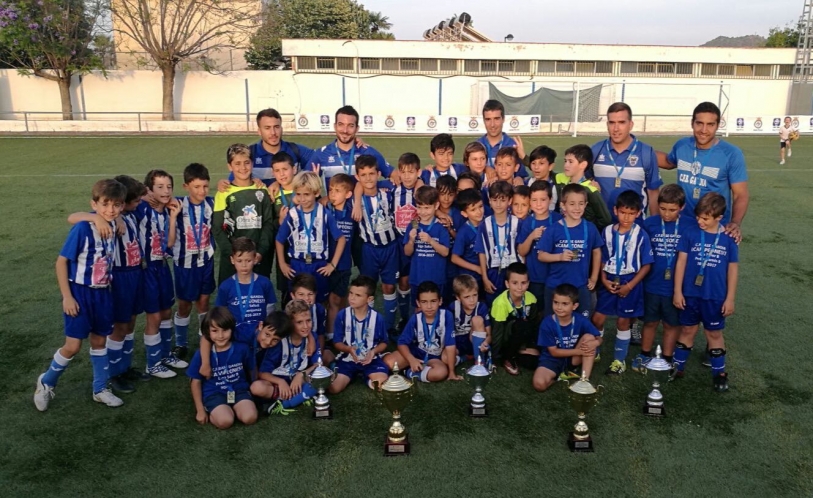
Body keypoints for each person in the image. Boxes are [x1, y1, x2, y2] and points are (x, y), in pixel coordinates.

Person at [34, 179, 127, 411]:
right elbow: (61, 262)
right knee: (73, 346)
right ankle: (46, 383)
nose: (110, 210)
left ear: (122, 206)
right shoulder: (83, 228)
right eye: (105, 205)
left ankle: (100, 389)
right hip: (80, 293)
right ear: (94, 204)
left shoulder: (115, 222)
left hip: (103, 293)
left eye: (116, 205)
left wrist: (117, 218)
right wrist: (67, 296)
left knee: (99, 341)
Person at [66, 175, 150, 393]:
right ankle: (114, 374)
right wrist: (96, 218)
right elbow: (73, 217)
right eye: (137, 201)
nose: (140, 204)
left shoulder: (127, 216)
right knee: (120, 326)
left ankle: (124, 366)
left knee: (130, 323)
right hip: (118, 277)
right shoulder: (106, 218)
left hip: (135, 275)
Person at [672, 192, 739, 392]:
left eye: (705, 218)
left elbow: (733, 270)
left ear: (719, 218)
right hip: (690, 294)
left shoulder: (728, 239)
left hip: (715, 296)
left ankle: (719, 374)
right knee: (687, 330)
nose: (700, 221)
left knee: (714, 333)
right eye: (699, 217)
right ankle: (678, 367)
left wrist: (730, 298)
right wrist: (677, 291)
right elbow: (681, 262)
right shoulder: (690, 233)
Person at [658, 102, 749, 243]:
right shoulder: (682, 145)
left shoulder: (731, 153)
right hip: (683, 224)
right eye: (699, 123)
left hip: (714, 227)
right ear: (692, 123)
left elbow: (740, 194)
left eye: (710, 124)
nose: (704, 130)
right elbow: (669, 162)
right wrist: (638, 150)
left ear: (718, 125)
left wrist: (735, 223)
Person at [592, 190, 654, 375]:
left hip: (630, 281)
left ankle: (619, 361)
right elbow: (603, 258)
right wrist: (603, 279)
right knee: (598, 319)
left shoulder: (641, 235)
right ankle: (595, 351)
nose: (626, 217)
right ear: (615, 210)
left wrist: (630, 285)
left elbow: (646, 265)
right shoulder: (607, 232)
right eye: (623, 212)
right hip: (609, 279)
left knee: (623, 321)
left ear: (638, 214)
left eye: (631, 213)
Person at [639, 184, 696, 370]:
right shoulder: (650, 224)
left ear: (682, 207)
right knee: (650, 322)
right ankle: (644, 354)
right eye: (663, 208)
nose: (667, 214)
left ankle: (667, 357)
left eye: (672, 210)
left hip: (676, 287)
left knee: (672, 324)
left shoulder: (690, 225)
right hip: (652, 284)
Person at [204, 238, 277, 377]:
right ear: (232, 260)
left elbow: (270, 308)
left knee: (263, 368)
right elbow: (220, 314)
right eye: (240, 261)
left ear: (255, 259)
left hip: (259, 335)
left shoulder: (264, 283)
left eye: (248, 261)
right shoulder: (226, 286)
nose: (244, 265)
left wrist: (266, 327)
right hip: (236, 335)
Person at [137, 170, 186, 377]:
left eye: (168, 187)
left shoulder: (166, 210)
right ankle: (152, 363)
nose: (166, 191)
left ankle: (165, 355)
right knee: (154, 316)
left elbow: (170, 243)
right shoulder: (141, 208)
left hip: (162, 266)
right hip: (147, 268)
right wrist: (141, 195)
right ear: (149, 189)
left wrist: (173, 217)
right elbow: (123, 198)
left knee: (166, 311)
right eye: (160, 187)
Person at [167, 163, 215, 361]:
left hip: (206, 261)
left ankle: (204, 340)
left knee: (204, 302)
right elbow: (153, 199)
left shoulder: (212, 203)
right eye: (196, 187)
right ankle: (181, 343)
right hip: (184, 264)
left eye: (205, 186)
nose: (201, 191)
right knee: (185, 304)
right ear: (186, 186)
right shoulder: (176, 204)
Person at [275, 171, 346, 303]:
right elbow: (279, 240)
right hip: (297, 264)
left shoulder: (325, 213)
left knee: (319, 303)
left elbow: (341, 239)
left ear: (317, 192)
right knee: (297, 304)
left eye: (306, 194)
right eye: (299, 194)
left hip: (318, 266)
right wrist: (282, 264)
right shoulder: (292, 214)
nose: (302, 199)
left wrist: (332, 264)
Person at [538, 184, 604, 318]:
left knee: (582, 322)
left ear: (586, 204)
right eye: (572, 204)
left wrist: (594, 277)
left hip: (580, 285)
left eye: (581, 203)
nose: (577, 208)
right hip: (556, 285)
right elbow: (541, 255)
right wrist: (560, 257)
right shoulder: (554, 229)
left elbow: (597, 251)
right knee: (553, 323)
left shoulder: (590, 228)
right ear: (563, 205)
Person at [186, 307, 258, 429]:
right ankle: (213, 409)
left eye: (225, 330)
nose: (220, 335)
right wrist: (199, 410)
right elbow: (195, 381)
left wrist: (254, 387)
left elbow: (252, 368)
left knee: (249, 417)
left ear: (232, 329)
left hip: (239, 390)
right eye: (215, 331)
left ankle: (237, 407)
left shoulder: (242, 348)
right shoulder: (202, 354)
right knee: (225, 421)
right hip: (214, 393)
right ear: (208, 332)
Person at [212, 143, 274, 283]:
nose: (243, 168)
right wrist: (233, 255)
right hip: (233, 260)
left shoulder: (262, 191)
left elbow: (268, 224)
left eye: (246, 162)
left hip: (257, 257)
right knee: (230, 299)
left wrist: (261, 251)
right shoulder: (223, 193)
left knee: (258, 298)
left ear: (252, 163)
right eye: (237, 163)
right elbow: (217, 228)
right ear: (230, 166)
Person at [591, 102, 662, 217]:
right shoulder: (596, 150)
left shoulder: (646, 153)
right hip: (602, 225)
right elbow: (586, 183)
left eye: (621, 122)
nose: (616, 128)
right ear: (607, 124)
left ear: (630, 124)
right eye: (612, 123)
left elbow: (653, 192)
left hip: (634, 225)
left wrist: (654, 224)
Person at [355, 155, 401, 332]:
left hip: (390, 247)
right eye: (363, 175)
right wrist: (358, 202)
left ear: (378, 174)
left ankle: (389, 326)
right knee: (369, 288)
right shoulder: (354, 197)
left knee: (389, 286)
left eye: (372, 173)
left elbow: (408, 183)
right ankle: (370, 325)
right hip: (369, 249)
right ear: (357, 177)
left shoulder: (387, 190)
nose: (368, 178)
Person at [308, 105, 398, 192]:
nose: (345, 130)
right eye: (341, 124)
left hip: (363, 207)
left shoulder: (368, 152)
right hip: (334, 207)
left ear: (357, 128)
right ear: (335, 126)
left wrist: (380, 187)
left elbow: (396, 176)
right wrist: (320, 198)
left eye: (350, 126)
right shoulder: (321, 154)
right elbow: (304, 186)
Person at [387, 281, 462, 383]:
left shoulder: (447, 316)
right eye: (424, 302)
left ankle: (408, 372)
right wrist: (411, 359)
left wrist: (452, 372)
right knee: (389, 363)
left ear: (440, 301)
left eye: (433, 301)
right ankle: (414, 367)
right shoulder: (415, 318)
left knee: (440, 373)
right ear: (418, 303)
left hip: (435, 356)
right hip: (417, 352)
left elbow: (450, 345)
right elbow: (402, 343)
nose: (429, 306)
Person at [533, 284, 602, 392]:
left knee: (589, 338)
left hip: (573, 359)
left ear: (574, 306)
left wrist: (596, 343)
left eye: (565, 304)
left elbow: (599, 337)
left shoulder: (580, 319)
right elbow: (554, 352)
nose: (559, 307)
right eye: (556, 302)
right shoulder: (547, 323)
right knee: (539, 384)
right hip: (552, 360)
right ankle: (560, 377)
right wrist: (580, 351)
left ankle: (584, 381)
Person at [329, 276, 390, 394]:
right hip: (348, 359)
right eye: (351, 293)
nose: (352, 298)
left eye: (358, 295)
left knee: (381, 384)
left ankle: (367, 378)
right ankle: (347, 372)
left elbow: (384, 342)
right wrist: (348, 349)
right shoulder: (342, 315)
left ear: (369, 299)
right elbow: (337, 342)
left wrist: (373, 352)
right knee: (333, 388)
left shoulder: (377, 318)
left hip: (371, 360)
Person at [259, 299, 320, 415]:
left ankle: (284, 403)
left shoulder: (312, 338)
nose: (306, 326)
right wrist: (280, 382)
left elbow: (318, 364)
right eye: (299, 322)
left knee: (323, 377)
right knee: (258, 387)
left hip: (300, 379)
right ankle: (301, 396)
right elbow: (263, 373)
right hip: (279, 382)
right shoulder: (278, 341)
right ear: (290, 324)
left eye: (308, 320)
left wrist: (301, 374)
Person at [232, 108, 314, 186]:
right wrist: (224, 183)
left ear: (281, 129)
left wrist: (280, 184)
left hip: (291, 200)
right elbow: (234, 181)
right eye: (267, 128)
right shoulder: (249, 153)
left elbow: (319, 159)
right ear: (259, 131)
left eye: (276, 127)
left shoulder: (296, 150)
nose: (273, 132)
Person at [489, 262, 542, 375]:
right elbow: (497, 333)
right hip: (505, 341)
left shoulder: (531, 299)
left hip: (521, 341)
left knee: (534, 363)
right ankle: (507, 357)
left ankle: (518, 353)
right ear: (507, 284)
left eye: (523, 283)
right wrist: (495, 358)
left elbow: (533, 326)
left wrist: (531, 346)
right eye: (515, 283)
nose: (519, 287)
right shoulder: (500, 303)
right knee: (521, 324)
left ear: (528, 284)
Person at [475, 181, 521, 306]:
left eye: (502, 200)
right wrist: (484, 277)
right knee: (494, 308)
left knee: (514, 307)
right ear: (489, 201)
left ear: (509, 201)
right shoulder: (485, 224)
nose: (499, 204)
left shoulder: (517, 223)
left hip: (514, 272)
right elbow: (482, 252)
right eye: (495, 200)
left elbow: (522, 251)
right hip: (493, 273)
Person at [323, 173, 356, 341]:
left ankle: (336, 334)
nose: (332, 194)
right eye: (330, 190)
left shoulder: (353, 212)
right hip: (325, 263)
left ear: (348, 194)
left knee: (338, 299)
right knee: (326, 300)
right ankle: (327, 335)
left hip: (343, 265)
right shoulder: (325, 210)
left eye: (337, 191)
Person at [517, 181, 561, 304]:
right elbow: (521, 251)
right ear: (530, 202)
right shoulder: (528, 222)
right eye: (534, 200)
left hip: (556, 276)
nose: (539, 204)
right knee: (537, 310)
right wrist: (531, 236)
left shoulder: (558, 220)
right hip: (535, 277)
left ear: (551, 200)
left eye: (543, 199)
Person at [404, 186, 451, 301]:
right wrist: (411, 240)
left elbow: (445, 252)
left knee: (438, 307)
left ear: (436, 206)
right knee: (418, 308)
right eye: (419, 207)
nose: (423, 212)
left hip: (437, 278)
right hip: (417, 277)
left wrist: (431, 241)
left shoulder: (441, 226)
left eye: (427, 208)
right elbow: (407, 252)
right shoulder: (413, 224)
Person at [391, 153, 422, 326]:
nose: (407, 176)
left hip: (420, 244)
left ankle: (416, 316)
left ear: (418, 172)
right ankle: (404, 317)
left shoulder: (423, 189)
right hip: (398, 244)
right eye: (403, 172)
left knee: (416, 280)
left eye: (411, 172)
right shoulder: (392, 189)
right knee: (403, 281)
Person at [554, 145, 612, 230]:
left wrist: (588, 228)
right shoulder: (560, 178)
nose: (566, 165)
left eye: (570, 162)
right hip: (563, 232)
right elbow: (545, 171)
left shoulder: (591, 189)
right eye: (565, 161)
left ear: (583, 165)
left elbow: (606, 219)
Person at [289, 273, 333, 365]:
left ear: (315, 294)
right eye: (301, 294)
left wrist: (318, 353)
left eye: (310, 294)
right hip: (294, 348)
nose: (306, 298)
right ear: (293, 296)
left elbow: (320, 334)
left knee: (328, 355)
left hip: (314, 346)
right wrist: (311, 337)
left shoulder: (319, 309)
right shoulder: (289, 310)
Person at [478, 99, 528, 178]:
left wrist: (519, 178)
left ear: (503, 119)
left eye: (496, 119)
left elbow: (521, 175)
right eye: (488, 119)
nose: (492, 125)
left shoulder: (513, 145)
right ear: (483, 121)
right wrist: (484, 168)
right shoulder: (477, 145)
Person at [449, 275, 492, 367]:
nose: (472, 300)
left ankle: (479, 361)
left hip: (474, 342)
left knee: (477, 319)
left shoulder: (481, 307)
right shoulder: (453, 307)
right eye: (467, 297)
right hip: (458, 342)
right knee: (445, 358)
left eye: (474, 295)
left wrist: (486, 343)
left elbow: (489, 334)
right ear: (458, 297)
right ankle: (464, 358)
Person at [452, 188, 486, 292]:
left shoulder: (488, 224)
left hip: (487, 273)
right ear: (464, 214)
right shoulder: (464, 232)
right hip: (470, 278)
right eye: (473, 209)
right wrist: (476, 268)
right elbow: (454, 258)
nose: (479, 212)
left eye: (480, 206)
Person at [526, 145, 558, 211]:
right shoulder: (526, 183)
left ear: (550, 166)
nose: (536, 167)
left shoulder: (556, 188)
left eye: (541, 163)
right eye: (533, 163)